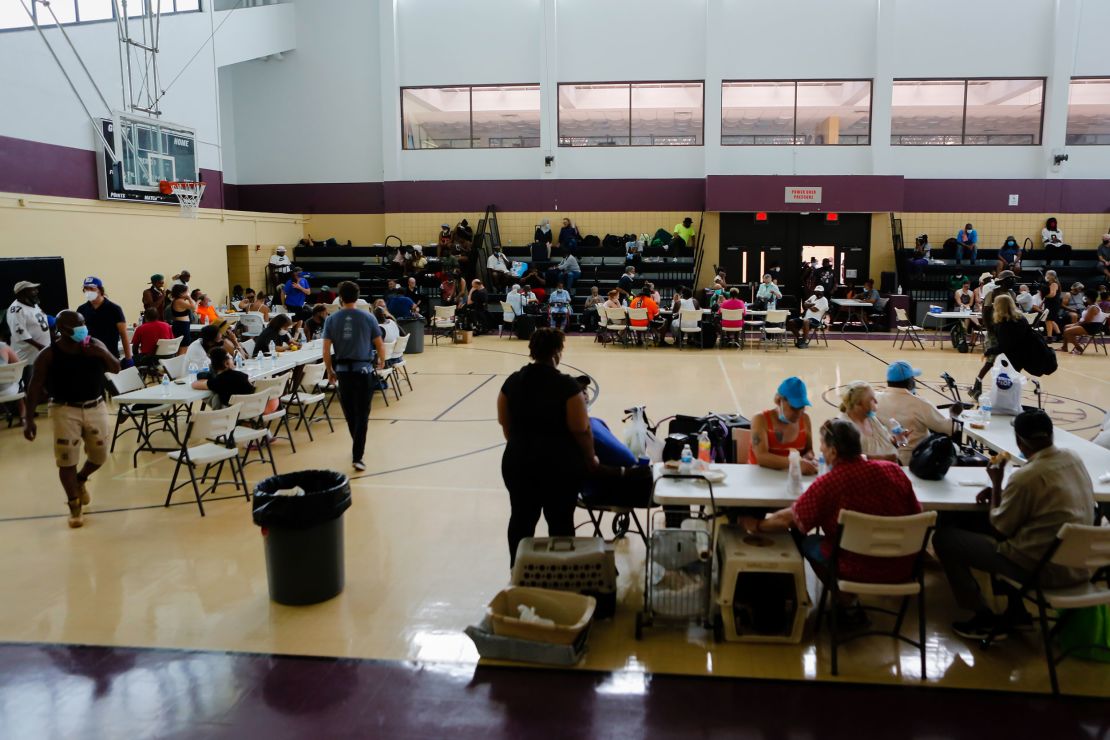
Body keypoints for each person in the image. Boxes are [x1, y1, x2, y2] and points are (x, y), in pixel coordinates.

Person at [739, 419, 923, 627]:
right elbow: (918, 515)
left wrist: (755, 524)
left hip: (855, 567)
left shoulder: (829, 484)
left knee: (806, 541)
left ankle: (845, 599)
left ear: (833, 451)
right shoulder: (894, 471)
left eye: (823, 447)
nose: (822, 452)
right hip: (902, 567)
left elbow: (790, 520)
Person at [933, 410, 1095, 640]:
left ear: (1019, 440)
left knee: (945, 538)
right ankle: (1016, 612)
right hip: (1078, 564)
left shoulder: (1027, 476)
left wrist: (997, 483)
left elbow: (1000, 527)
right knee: (990, 526)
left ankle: (983, 616)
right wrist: (1004, 492)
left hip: (1043, 571)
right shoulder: (1072, 458)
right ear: (1051, 434)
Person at [497, 328, 596, 565]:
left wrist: (523, 447)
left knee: (521, 519)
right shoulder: (568, 386)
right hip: (559, 465)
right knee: (560, 522)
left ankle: (517, 571)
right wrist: (591, 458)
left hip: (518, 461)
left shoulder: (512, 382)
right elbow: (580, 428)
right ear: (557, 352)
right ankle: (560, 574)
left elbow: (505, 424)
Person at [22, 310, 120, 528]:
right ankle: (74, 505)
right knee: (67, 459)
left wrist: (100, 353)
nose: (83, 328)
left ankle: (81, 479)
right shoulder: (49, 354)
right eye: (77, 326)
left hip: (95, 405)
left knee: (100, 455)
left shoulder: (94, 344)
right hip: (64, 409)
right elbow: (35, 386)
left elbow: (116, 367)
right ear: (63, 330)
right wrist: (28, 418)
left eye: (83, 323)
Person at [323, 281, 386, 473]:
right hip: (363, 371)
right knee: (362, 414)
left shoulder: (331, 319)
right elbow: (379, 343)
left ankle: (357, 450)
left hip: (343, 371)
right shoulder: (368, 317)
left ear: (340, 297)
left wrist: (329, 370)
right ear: (357, 297)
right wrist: (382, 360)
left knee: (350, 413)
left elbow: (326, 349)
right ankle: (358, 455)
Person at [877, 361, 954, 466]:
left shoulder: (875, 399)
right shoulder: (920, 404)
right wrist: (954, 414)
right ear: (910, 382)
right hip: (915, 460)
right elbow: (949, 428)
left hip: (883, 458)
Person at [971, 294, 1035, 400]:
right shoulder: (1022, 318)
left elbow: (1005, 347)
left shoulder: (1003, 324)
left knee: (1000, 372)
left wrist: (989, 351)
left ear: (999, 306)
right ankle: (1010, 397)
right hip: (1023, 353)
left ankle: (1001, 397)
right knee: (1012, 375)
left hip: (1011, 354)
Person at [748, 377, 818, 474]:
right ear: (778, 400)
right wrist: (796, 463)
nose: (799, 413)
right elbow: (761, 457)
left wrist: (809, 456)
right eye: (794, 408)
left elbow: (809, 449)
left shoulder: (805, 419)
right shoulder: (760, 419)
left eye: (802, 407)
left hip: (790, 478)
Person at [76, 277, 132, 368]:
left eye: (92, 288)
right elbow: (81, 333)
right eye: (86, 288)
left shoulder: (114, 309)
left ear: (100, 289)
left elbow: (123, 334)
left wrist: (128, 358)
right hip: (89, 356)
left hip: (110, 355)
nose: (88, 291)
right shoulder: (82, 309)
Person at [838, 381, 899, 463]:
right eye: (871, 399)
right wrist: (884, 459)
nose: (876, 402)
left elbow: (883, 442)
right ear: (858, 403)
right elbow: (847, 458)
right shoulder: (844, 427)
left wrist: (896, 441)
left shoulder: (870, 417)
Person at [7, 281, 51, 373]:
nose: (37, 291)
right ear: (22, 293)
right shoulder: (16, 310)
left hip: (40, 353)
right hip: (28, 359)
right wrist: (41, 347)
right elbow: (21, 335)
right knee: (30, 383)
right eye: (33, 290)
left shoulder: (33, 304)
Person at [1060, 289, 1107, 354]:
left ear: (1089, 298)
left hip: (1091, 327)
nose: (1084, 298)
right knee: (1065, 327)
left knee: (1067, 332)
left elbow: (1087, 321)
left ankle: (1079, 348)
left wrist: (1076, 324)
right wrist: (1076, 324)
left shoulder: (1093, 308)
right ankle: (1064, 347)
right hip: (1087, 325)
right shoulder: (1090, 306)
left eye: (1086, 297)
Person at [0, 341, 26, 421]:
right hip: (8, 391)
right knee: (18, 381)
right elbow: (18, 365)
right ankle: (23, 415)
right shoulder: (3, 347)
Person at [1039, 270, 1063, 342]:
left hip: (1053, 304)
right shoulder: (1049, 284)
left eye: (1047, 275)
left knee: (1048, 320)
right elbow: (1046, 296)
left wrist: (1045, 296)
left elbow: (1052, 294)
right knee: (1051, 320)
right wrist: (1042, 302)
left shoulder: (1054, 284)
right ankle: (1059, 335)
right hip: (1050, 303)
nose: (1046, 276)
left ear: (1052, 276)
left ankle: (1049, 338)